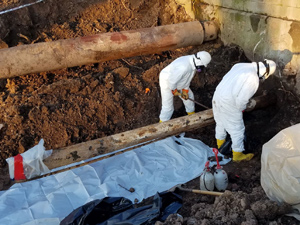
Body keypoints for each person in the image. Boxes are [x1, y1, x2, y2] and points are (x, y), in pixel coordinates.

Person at [212, 59, 276, 162]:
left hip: (217, 97)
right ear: (265, 72)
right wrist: (242, 109)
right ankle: (238, 155)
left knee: (220, 123)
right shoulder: (253, 79)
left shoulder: (240, 65)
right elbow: (241, 101)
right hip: (229, 103)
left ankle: (220, 146)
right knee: (238, 130)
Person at [159, 51, 212, 122]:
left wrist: (185, 90)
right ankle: (162, 125)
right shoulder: (184, 67)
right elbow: (172, 81)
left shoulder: (192, 63)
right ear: (199, 62)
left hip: (177, 81)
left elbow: (187, 78)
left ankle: (192, 116)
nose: (201, 68)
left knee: (189, 96)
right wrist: (174, 91)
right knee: (168, 107)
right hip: (167, 81)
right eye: (202, 66)